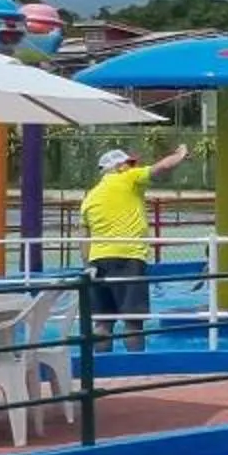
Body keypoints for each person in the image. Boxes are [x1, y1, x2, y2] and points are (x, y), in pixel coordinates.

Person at [81, 141, 188, 351]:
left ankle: (102, 369)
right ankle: (137, 366)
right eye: (128, 163)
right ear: (119, 167)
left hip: (97, 261)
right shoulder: (129, 179)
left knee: (102, 322)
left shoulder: (90, 197)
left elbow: (84, 237)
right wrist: (181, 154)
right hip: (129, 257)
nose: (131, 166)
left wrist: (88, 266)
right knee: (133, 322)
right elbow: (162, 168)